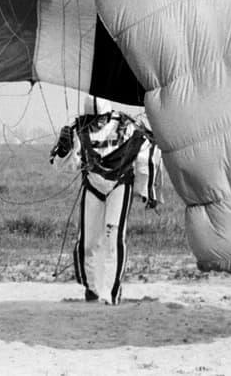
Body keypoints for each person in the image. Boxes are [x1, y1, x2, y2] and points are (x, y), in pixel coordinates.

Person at [50, 96, 162, 305]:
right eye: (94, 119)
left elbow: (147, 153)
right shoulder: (79, 129)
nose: (98, 124)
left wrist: (148, 191)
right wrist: (64, 149)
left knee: (113, 238)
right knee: (88, 241)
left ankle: (111, 294)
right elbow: (62, 164)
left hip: (119, 185)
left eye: (101, 119)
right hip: (93, 185)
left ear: (108, 115)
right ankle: (91, 289)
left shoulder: (127, 127)